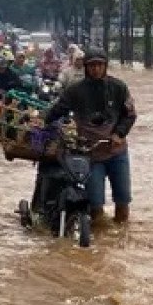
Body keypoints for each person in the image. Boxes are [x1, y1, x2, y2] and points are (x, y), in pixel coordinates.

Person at [47, 47, 136, 224]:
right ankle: (98, 240)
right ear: (86, 67)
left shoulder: (119, 87)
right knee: (95, 205)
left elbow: (130, 115)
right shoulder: (75, 91)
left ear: (105, 66)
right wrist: (45, 121)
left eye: (99, 65)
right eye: (92, 65)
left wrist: (119, 133)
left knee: (123, 201)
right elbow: (56, 111)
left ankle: (120, 238)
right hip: (90, 154)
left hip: (116, 152)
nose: (96, 69)